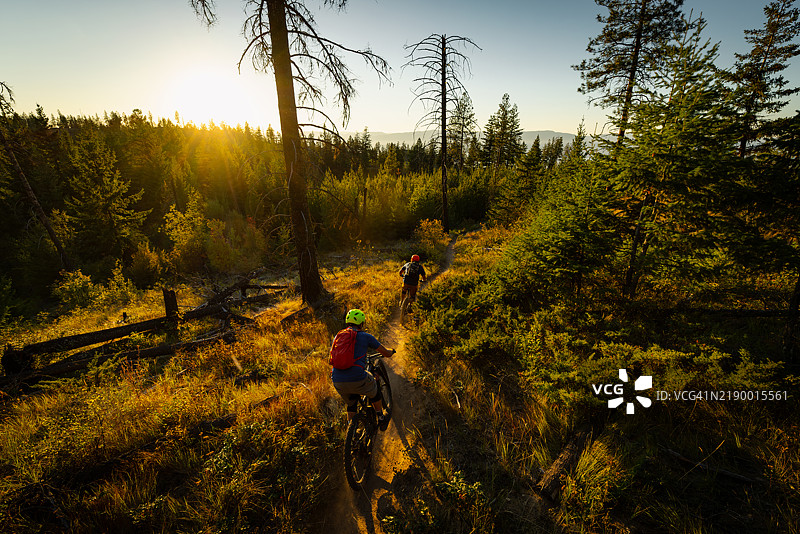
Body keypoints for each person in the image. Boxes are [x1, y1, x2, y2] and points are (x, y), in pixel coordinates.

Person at [330, 309, 395, 430]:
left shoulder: (337, 337)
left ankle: (352, 430)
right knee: (374, 392)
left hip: (337, 379)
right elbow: (385, 353)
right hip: (357, 377)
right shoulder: (366, 336)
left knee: (351, 403)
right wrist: (391, 351)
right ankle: (381, 417)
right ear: (361, 323)